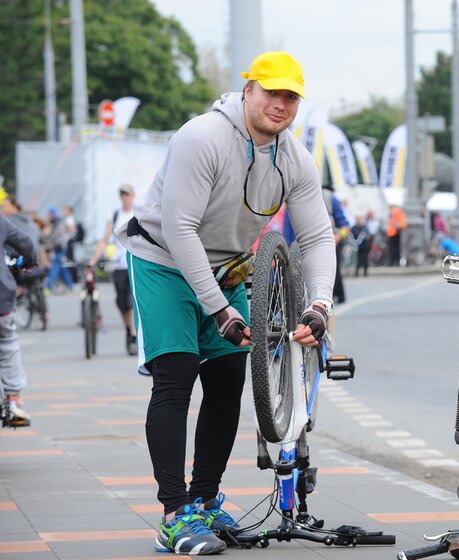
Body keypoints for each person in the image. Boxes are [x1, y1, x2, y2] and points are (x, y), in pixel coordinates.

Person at [115, 51, 335, 555]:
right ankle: (174, 516)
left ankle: (206, 499)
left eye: (291, 97)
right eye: (271, 92)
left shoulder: (294, 159)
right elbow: (180, 228)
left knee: (229, 377)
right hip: (164, 259)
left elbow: (319, 236)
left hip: (228, 264)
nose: (280, 104)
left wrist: (318, 306)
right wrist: (220, 310)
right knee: (177, 375)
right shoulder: (202, 137)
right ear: (249, 90)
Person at [88, 184, 138, 355]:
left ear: (133, 196)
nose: (125, 197)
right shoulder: (115, 215)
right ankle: (129, 330)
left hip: (135, 263)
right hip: (119, 265)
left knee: (132, 302)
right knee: (122, 303)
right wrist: (94, 258)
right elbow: (104, 240)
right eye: (122, 194)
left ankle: (133, 335)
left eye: (127, 194)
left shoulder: (138, 213)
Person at [0, 215, 38, 427]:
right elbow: (26, 244)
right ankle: (13, 400)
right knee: (7, 344)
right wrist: (30, 260)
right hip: (1, 301)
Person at [45, 207, 74, 292]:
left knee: (55, 266)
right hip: (58, 248)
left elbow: (60, 237)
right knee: (62, 268)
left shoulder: (59, 223)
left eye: (49, 214)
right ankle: (70, 286)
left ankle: (49, 286)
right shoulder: (53, 223)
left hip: (60, 248)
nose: (48, 216)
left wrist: (51, 245)